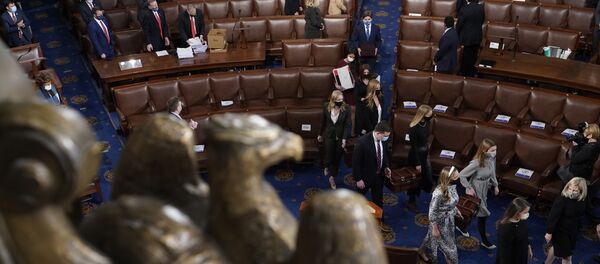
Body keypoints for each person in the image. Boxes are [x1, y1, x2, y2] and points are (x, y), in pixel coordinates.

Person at [456, 138, 499, 249]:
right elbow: (461, 175)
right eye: (492, 150)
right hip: (475, 189)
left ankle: (460, 226)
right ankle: (485, 241)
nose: (495, 153)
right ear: (485, 151)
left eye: (495, 150)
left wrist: (496, 185)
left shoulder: (491, 159)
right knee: (482, 215)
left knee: (471, 212)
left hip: (485, 188)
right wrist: (469, 188)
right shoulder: (476, 162)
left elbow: (493, 173)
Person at [418, 166, 462, 264]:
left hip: (449, 220)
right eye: (456, 175)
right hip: (440, 222)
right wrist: (434, 228)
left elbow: (450, 202)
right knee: (450, 246)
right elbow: (432, 211)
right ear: (449, 178)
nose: (458, 175)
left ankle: (421, 251)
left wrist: (455, 209)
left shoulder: (452, 186)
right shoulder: (438, 193)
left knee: (430, 238)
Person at [352, 122, 392, 219]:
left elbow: (383, 155)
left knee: (378, 199)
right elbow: (355, 163)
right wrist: (358, 179)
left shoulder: (382, 140)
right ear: (378, 133)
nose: (386, 138)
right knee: (358, 199)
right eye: (385, 136)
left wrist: (386, 167)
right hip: (364, 177)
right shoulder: (362, 142)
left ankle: (379, 220)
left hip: (379, 176)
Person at [544, 177, 588, 264]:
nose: (571, 192)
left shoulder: (582, 200)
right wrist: (549, 232)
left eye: (575, 190)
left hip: (572, 231)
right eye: (569, 188)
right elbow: (552, 217)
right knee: (567, 257)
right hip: (560, 232)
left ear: (581, 191)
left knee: (556, 248)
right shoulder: (562, 200)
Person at [318, 90, 350, 190]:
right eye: (338, 100)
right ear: (333, 99)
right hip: (329, 135)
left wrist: (344, 139)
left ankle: (332, 177)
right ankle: (326, 165)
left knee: (337, 157)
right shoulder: (326, 106)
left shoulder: (346, 108)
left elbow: (347, 126)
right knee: (329, 155)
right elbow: (323, 121)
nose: (340, 101)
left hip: (340, 136)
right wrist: (320, 134)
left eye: (342, 99)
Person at [406, 105, 434, 213]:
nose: (431, 116)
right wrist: (418, 163)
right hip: (416, 156)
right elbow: (414, 147)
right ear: (423, 115)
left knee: (426, 175)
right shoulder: (413, 127)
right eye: (429, 114)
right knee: (414, 179)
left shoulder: (427, 123)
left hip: (425, 153)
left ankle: (422, 192)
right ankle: (411, 201)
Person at [496, 197, 533, 264]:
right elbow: (504, 253)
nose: (527, 214)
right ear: (517, 213)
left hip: (521, 253)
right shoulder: (505, 229)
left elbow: (525, 235)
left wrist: (528, 247)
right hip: (511, 258)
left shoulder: (521, 220)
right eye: (525, 212)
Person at [456, 0, 485, 77]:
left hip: (467, 37)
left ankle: (465, 74)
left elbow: (460, 24)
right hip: (477, 36)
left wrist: (457, 33)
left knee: (466, 57)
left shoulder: (464, 9)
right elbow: (482, 20)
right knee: (474, 55)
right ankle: (472, 73)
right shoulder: (481, 8)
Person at [335, 49, 357, 136]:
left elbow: (356, 76)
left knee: (352, 110)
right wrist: (337, 86)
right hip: (342, 90)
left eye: (353, 56)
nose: (352, 58)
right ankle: (341, 132)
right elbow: (336, 77)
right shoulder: (340, 63)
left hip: (352, 90)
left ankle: (352, 132)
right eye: (350, 56)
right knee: (342, 110)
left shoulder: (355, 63)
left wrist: (355, 82)